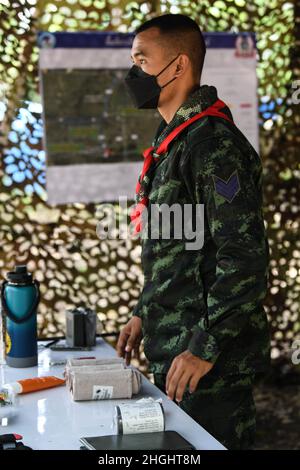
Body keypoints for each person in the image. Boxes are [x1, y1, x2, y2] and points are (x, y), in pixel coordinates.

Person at [117, 14, 270, 450]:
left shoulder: (212, 146)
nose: (134, 73)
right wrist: (146, 310)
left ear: (179, 66)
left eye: (142, 60)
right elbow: (179, 249)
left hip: (210, 366)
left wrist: (204, 346)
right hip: (176, 352)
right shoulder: (174, 142)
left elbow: (243, 259)